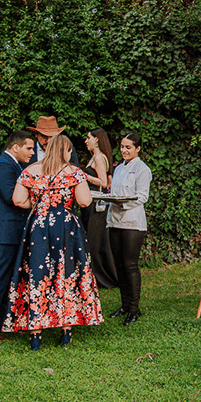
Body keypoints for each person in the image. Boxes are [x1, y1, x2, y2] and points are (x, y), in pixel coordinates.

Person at [2, 134, 103, 350]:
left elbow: (18, 199)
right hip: (65, 227)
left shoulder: (30, 171)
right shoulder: (73, 172)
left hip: (38, 226)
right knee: (65, 272)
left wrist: (39, 205)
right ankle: (65, 331)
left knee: (37, 274)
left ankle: (36, 333)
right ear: (65, 150)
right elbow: (84, 201)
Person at [0, 130, 35, 344]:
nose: (32, 152)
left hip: (11, 231)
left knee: (7, 281)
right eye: (29, 148)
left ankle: (0, 325)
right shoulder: (3, 166)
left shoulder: (12, 165)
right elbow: (13, 197)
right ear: (15, 147)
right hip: (4, 232)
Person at [108, 131, 152, 324]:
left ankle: (134, 309)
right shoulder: (118, 169)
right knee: (118, 265)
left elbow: (142, 196)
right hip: (115, 221)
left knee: (130, 264)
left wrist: (122, 204)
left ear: (138, 148)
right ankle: (124, 304)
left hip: (133, 223)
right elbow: (112, 192)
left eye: (128, 147)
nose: (124, 150)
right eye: (122, 147)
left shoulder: (143, 169)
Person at [82, 127, 120, 297]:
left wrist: (83, 176)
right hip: (90, 202)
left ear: (96, 139)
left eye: (88, 137)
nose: (86, 140)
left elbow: (103, 183)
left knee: (95, 242)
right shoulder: (95, 157)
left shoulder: (99, 158)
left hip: (96, 202)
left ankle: (102, 277)